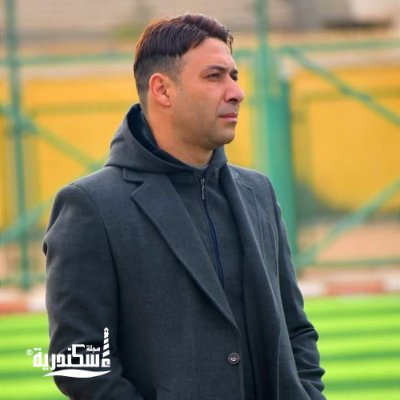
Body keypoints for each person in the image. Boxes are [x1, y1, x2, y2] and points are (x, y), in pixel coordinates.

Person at [44, 13, 325, 400]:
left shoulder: (257, 192)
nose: (236, 92)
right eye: (214, 76)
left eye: (234, 76)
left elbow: (296, 329)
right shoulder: (91, 206)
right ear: (162, 89)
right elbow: (79, 363)